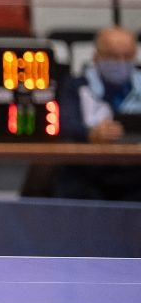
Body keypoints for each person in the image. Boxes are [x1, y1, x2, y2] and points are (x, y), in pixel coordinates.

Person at [53, 26, 141, 201]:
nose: (121, 62)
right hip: (89, 170)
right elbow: (64, 125)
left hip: (136, 171)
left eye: (127, 56)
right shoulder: (75, 85)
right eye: (112, 56)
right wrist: (90, 134)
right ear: (96, 56)